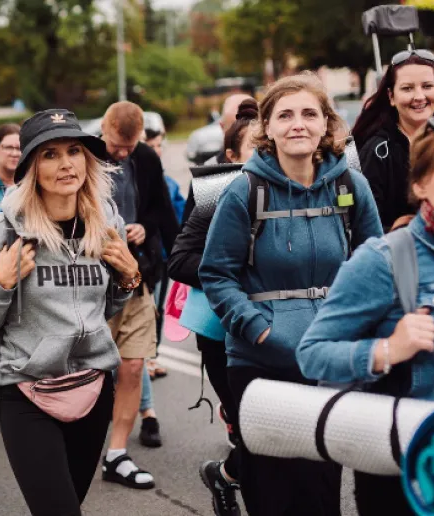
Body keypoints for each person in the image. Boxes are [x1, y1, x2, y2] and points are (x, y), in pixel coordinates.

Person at [298, 115, 434, 515]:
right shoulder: (383, 261)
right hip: (410, 484)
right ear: (420, 184)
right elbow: (313, 354)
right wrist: (388, 349)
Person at [199, 73, 383, 516]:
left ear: (326, 124)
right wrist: (260, 332)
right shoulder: (243, 191)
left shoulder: (349, 186)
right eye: (285, 115)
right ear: (268, 127)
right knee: (272, 496)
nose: (297, 124)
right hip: (261, 366)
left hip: (328, 362)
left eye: (308, 113)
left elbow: (376, 264)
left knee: (320, 495)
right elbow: (217, 275)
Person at [0, 108, 137, 516]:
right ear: (31, 168)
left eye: (74, 151)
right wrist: (2, 285)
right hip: (27, 390)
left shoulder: (106, 224)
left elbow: (105, 308)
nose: (66, 164)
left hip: (93, 387)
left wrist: (128, 278)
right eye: (50, 154)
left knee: (68, 503)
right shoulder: (3, 232)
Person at [168, 97, 259, 516]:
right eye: (256, 147)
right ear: (231, 157)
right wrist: (231, 273)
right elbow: (180, 259)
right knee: (254, 435)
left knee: (275, 438)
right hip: (223, 336)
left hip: (286, 333)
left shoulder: (302, 191)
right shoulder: (214, 192)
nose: (267, 155)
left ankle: (225, 476)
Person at [100, 101, 179, 489]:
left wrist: (144, 229)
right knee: (93, 373)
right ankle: (85, 441)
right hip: (92, 285)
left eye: (129, 147)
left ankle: (116, 452)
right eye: (117, 146)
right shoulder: (82, 155)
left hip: (138, 277)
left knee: (133, 366)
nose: (122, 153)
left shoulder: (145, 158)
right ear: (104, 129)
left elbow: (161, 209)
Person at [352, 49, 434, 230]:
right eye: (407, 88)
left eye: (427, 86)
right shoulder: (378, 151)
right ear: (391, 97)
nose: (419, 97)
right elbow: (367, 226)